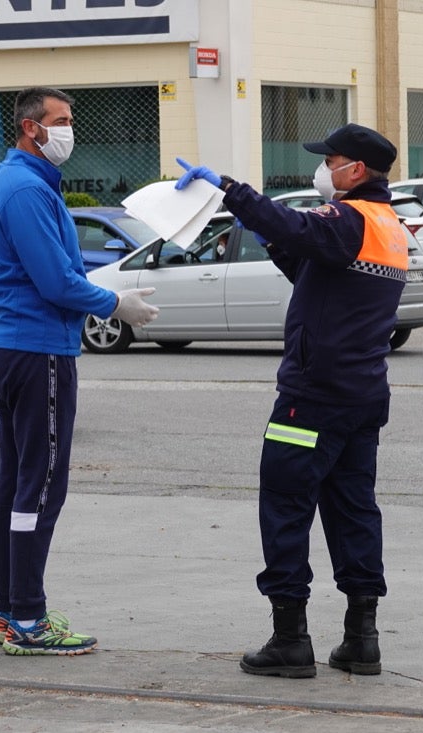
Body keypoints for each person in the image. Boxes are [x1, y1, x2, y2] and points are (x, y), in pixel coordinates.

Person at [174, 123, 407, 678]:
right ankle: (361, 638)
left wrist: (233, 192)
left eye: (330, 160)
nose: (322, 168)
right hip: (362, 397)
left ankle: (290, 638)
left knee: (284, 506)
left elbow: (299, 225)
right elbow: (314, 269)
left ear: (355, 170)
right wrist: (276, 241)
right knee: (354, 512)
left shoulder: (347, 217)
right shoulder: (388, 226)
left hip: (312, 400)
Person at [0, 87, 159, 656]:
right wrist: (113, 304)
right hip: (37, 353)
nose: (69, 131)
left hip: (12, 348)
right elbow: (56, 283)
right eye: (61, 121)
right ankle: (28, 618)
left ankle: (11, 613)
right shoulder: (26, 189)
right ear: (32, 128)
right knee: (42, 484)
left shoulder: (10, 183)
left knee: (15, 482)